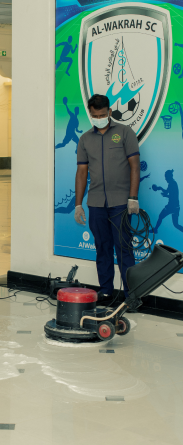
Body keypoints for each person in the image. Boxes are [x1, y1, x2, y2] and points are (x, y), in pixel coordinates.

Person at [74, 94, 140, 301]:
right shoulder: (85, 139)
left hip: (121, 202)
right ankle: (105, 290)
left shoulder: (125, 133)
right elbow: (82, 173)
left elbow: (135, 166)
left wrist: (133, 197)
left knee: (124, 248)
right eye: (95, 115)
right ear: (90, 114)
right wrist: (78, 204)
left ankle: (132, 294)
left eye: (103, 114)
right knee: (102, 247)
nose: (99, 118)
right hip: (96, 203)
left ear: (110, 112)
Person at [150, 169, 183, 234]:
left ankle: (155, 230)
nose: (165, 179)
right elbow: (167, 192)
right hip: (176, 207)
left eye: (166, 177)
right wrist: (160, 188)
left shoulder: (173, 184)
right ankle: (155, 229)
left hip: (171, 207)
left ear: (169, 177)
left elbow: (173, 196)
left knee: (160, 216)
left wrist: (165, 195)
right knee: (176, 224)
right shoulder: (171, 183)